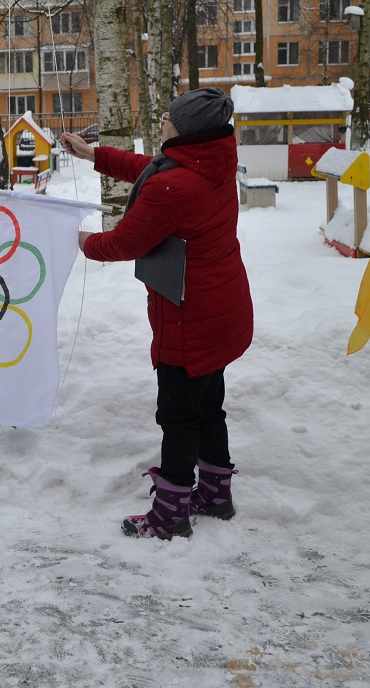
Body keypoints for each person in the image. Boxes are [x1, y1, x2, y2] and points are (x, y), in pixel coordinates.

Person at [60, 87, 253, 540]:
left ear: (185, 131)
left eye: (169, 118)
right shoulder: (212, 165)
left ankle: (169, 515)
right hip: (222, 311)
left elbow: (124, 242)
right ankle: (216, 495)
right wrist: (93, 154)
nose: (163, 122)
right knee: (209, 407)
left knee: (178, 416)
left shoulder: (174, 186)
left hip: (189, 320)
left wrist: (78, 239)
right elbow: (150, 167)